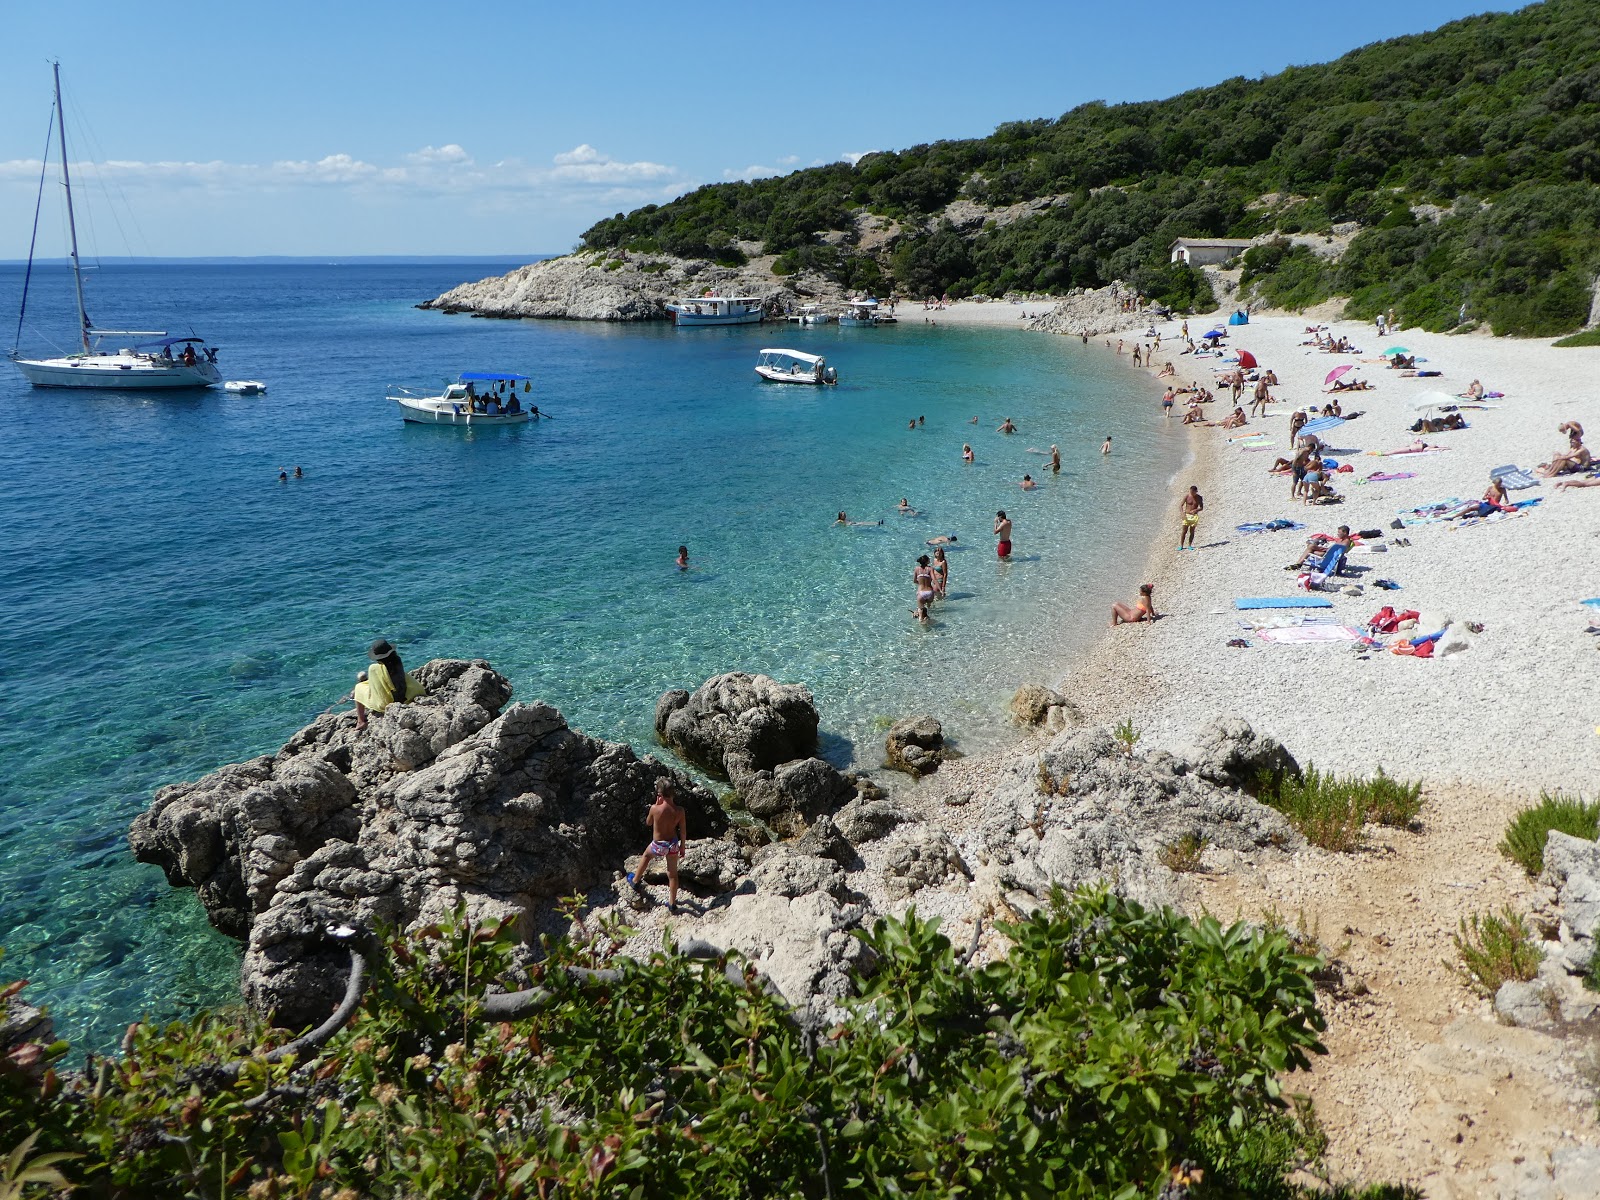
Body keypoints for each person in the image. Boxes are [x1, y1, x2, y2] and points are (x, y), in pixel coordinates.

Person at [627, 777, 687, 912]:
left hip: (658, 845)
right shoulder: (680, 811)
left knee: (646, 856)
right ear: (673, 793)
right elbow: (683, 831)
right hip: (672, 845)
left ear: (659, 795)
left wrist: (655, 804)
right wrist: (682, 846)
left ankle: (635, 881)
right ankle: (672, 903)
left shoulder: (655, 808)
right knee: (672, 874)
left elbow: (648, 823)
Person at [353, 639, 426, 731]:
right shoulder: (397, 661)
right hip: (407, 696)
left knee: (358, 688)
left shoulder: (374, 668)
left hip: (389, 702)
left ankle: (361, 721)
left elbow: (378, 688)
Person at [1179, 485, 1203, 550]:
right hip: (1186, 515)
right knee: (1184, 531)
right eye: (1190, 492)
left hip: (1194, 516)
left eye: (1193, 492)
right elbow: (1181, 505)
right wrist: (1182, 513)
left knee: (1192, 531)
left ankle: (1190, 545)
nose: (1191, 493)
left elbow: (1201, 507)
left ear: (1196, 491)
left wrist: (1196, 510)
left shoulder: (1199, 498)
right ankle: (1181, 545)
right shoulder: (1187, 496)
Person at [912, 555, 936, 622]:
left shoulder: (917, 569)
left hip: (921, 592)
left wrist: (920, 583)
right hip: (930, 592)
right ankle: (927, 617)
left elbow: (914, 581)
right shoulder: (930, 568)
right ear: (927, 561)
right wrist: (940, 589)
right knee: (929, 606)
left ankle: (920, 620)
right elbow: (934, 579)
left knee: (920, 609)